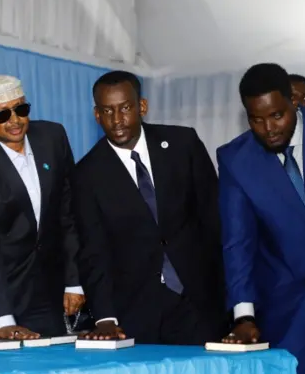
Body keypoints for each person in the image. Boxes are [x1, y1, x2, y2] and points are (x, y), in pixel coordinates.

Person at [75, 71, 227, 344]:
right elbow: (93, 250)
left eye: (125, 108)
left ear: (141, 107)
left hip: (200, 299)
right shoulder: (87, 174)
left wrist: (235, 299)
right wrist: (105, 317)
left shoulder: (183, 144)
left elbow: (214, 218)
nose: (117, 120)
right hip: (138, 311)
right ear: (97, 115)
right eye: (107, 111)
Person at [219, 63, 305, 374]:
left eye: (277, 115)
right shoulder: (236, 160)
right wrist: (244, 316)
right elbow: (237, 242)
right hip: (288, 302)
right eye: (256, 119)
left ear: (294, 102)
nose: (269, 128)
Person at [0, 75, 84, 340]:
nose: (14, 120)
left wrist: (74, 281)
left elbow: (68, 213)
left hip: (44, 288)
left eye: (21, 109)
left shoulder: (52, 137)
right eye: (2, 115)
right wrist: (2, 319)